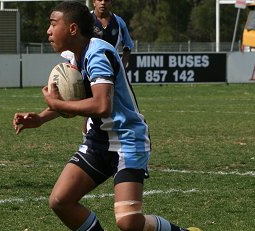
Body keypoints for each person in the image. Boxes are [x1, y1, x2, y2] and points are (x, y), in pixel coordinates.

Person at [13, 2, 201, 231]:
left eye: (53, 24)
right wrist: (41, 118)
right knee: (61, 201)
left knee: (128, 221)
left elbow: (102, 105)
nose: (48, 31)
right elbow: (76, 101)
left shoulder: (97, 53)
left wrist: (57, 103)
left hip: (127, 139)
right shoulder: (76, 57)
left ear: (72, 29)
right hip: (98, 141)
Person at [91, 0, 134, 68]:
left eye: (106, 0)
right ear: (94, 2)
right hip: (90, 69)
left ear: (110, 2)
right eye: (99, 0)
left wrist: (122, 66)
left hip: (112, 70)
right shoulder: (85, 20)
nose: (103, 3)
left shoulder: (119, 22)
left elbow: (128, 46)